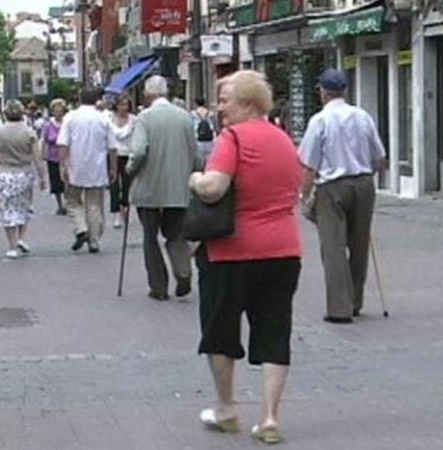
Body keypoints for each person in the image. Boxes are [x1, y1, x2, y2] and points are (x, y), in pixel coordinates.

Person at [189, 70, 302, 444]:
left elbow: (213, 188)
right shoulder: (285, 140)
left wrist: (194, 179)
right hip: (283, 250)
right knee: (274, 330)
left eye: (226, 100)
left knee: (221, 329)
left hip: (231, 251)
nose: (220, 107)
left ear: (249, 104)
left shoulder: (232, 138)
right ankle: (270, 417)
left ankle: (226, 409)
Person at [299, 68, 386, 324]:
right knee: (359, 244)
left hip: (332, 187)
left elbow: (310, 164)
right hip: (363, 184)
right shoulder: (362, 117)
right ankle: (356, 300)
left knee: (334, 247)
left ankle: (340, 307)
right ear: (345, 90)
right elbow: (380, 158)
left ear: (324, 92)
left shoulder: (320, 120)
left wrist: (304, 196)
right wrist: (366, 174)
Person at [126, 76, 197, 300]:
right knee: (176, 234)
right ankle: (183, 272)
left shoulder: (144, 118)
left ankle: (158, 287)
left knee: (150, 237)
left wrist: (129, 169)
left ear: (148, 95)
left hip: (149, 187)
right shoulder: (185, 117)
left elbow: (138, 152)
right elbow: (195, 153)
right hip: (178, 186)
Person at [57, 88, 119, 253]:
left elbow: (63, 143)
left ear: (79, 98)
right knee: (95, 205)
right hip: (97, 167)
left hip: (75, 165)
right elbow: (112, 147)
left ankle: (81, 228)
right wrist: (113, 168)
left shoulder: (70, 117)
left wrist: (63, 164)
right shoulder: (104, 119)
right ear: (97, 99)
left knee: (72, 200)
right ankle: (94, 240)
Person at [0, 100, 47, 259]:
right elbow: (37, 158)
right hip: (24, 173)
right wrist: (42, 177)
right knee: (23, 207)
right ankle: (21, 238)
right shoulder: (29, 133)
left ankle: (12, 245)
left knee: (7, 209)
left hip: (3, 173)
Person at [108, 94, 136, 229]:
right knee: (114, 186)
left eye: (126, 105)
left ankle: (125, 208)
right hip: (113, 154)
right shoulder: (109, 119)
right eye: (121, 105)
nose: (123, 108)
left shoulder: (134, 120)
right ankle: (116, 214)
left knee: (126, 185)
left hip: (128, 155)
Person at [42, 98, 68, 215]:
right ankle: (60, 205)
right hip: (53, 156)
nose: (58, 113)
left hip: (66, 156)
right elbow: (45, 140)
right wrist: (43, 153)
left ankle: (68, 202)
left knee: (67, 180)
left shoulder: (67, 123)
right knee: (56, 181)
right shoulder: (48, 125)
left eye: (60, 110)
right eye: (56, 110)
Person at [193, 98, 216, 163]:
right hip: (209, 138)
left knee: (200, 158)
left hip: (198, 138)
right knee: (209, 158)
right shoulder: (210, 113)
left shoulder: (194, 113)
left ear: (196, 104)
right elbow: (213, 126)